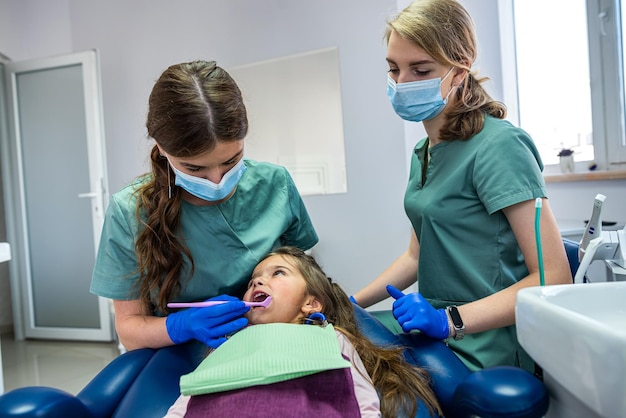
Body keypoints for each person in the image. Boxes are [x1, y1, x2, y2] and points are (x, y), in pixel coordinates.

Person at [352, 0, 572, 373]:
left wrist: (448, 321)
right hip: (436, 333)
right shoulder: (424, 151)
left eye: (420, 70)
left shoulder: (500, 146)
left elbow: (553, 276)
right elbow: (415, 257)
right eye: (393, 69)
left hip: (488, 343)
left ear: (459, 71)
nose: (402, 83)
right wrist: (349, 302)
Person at [90, 60, 319, 351]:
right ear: (161, 146)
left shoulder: (276, 184)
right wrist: (180, 325)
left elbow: (307, 280)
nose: (216, 180)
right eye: (195, 168)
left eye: (230, 161)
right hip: (178, 357)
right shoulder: (130, 211)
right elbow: (130, 330)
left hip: (272, 346)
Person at [165, 246, 442, 418]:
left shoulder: (328, 337)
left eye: (279, 273)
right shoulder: (225, 345)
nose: (258, 280)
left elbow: (360, 400)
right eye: (253, 280)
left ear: (311, 304)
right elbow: (188, 401)